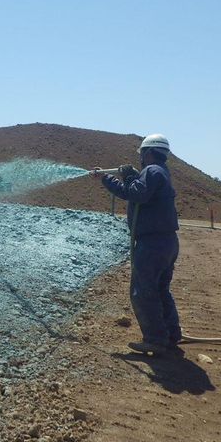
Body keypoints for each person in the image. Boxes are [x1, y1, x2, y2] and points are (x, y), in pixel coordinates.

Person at [91, 134, 181, 356]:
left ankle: (156, 340)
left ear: (148, 152)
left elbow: (135, 194)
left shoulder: (152, 171)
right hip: (166, 242)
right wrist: (124, 177)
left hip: (152, 244)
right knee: (160, 289)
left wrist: (118, 178)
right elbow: (138, 191)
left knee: (143, 292)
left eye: (142, 153)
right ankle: (171, 335)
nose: (141, 157)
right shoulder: (161, 171)